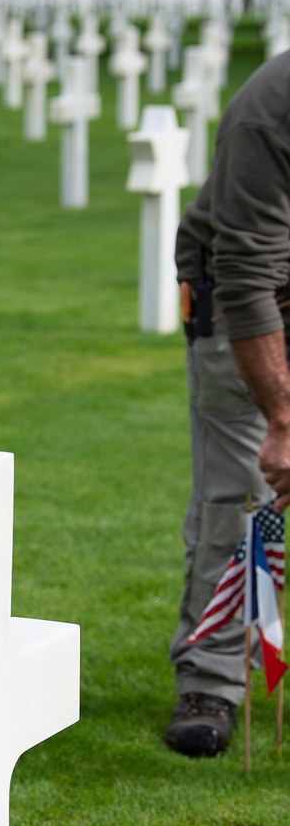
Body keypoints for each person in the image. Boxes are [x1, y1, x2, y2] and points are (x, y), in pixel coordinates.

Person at [166, 47, 290, 758]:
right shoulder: (269, 113)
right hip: (243, 304)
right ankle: (211, 676)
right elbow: (246, 276)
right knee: (241, 495)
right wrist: (283, 417)